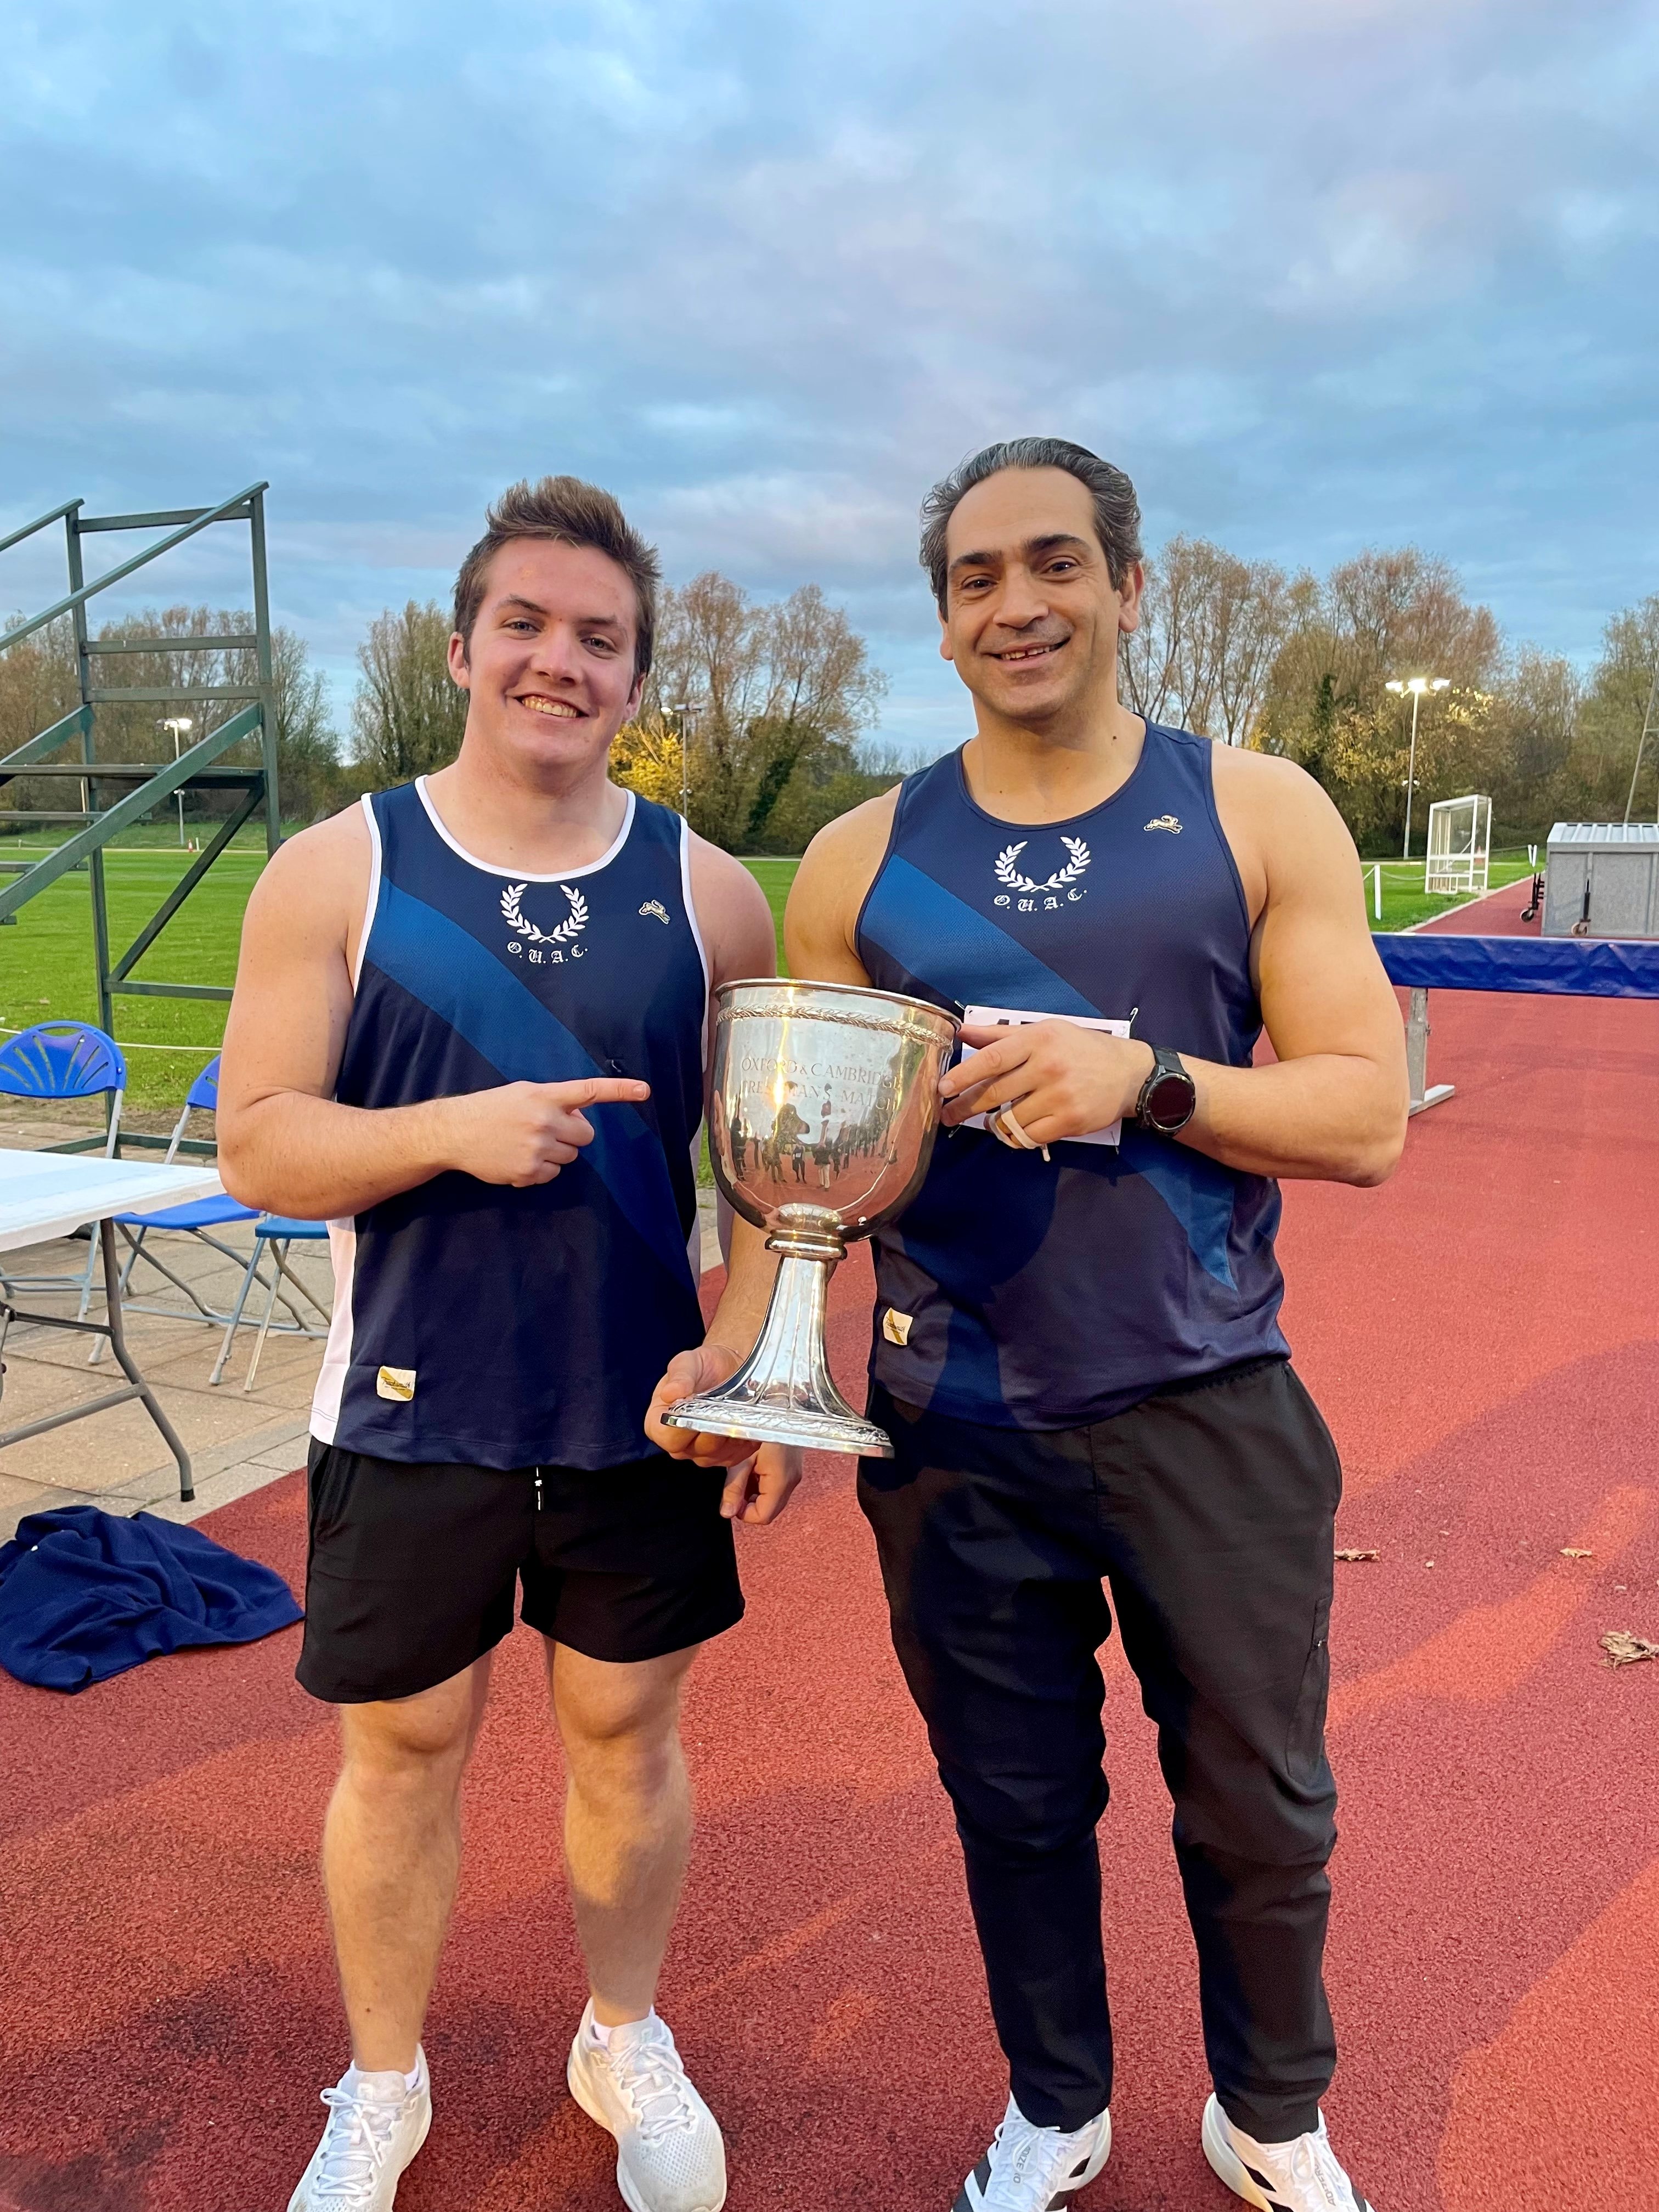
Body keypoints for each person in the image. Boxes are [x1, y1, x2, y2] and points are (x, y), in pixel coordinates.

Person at [738, 438, 1404, 2212]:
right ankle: (1059, 2103)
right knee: (1015, 1802)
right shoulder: (863, 856)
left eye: (1051, 564)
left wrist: (1151, 1080)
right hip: (953, 1412)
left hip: (1208, 1400)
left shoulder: (1258, 808)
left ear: (1127, 584)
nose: (1014, 604)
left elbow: (1365, 1118)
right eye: (975, 578)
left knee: (1261, 1806)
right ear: (944, 618)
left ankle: (1272, 2116)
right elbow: (796, 1161)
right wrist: (752, 1355)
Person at [218, 475, 797, 2212]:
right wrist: (441, 1132)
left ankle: (621, 2030)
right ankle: (380, 2081)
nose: (561, 659)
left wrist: (759, 1356)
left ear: (636, 677)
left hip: (638, 1414)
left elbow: (773, 1184)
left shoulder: (713, 898)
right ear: (462, 646)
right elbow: (256, 1144)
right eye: (528, 626)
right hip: (408, 1407)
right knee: (400, 1752)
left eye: (600, 638)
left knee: (628, 1738)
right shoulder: (342, 867)